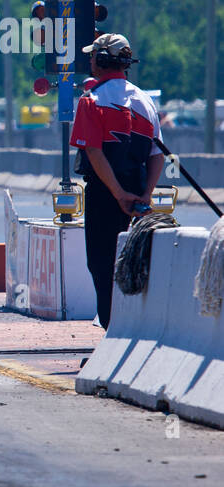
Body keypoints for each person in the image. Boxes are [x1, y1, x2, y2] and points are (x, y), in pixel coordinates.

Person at [69, 33, 164, 328]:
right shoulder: (145, 100)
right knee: (137, 264)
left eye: (93, 55)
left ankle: (112, 333)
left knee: (102, 264)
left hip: (107, 196)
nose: (90, 61)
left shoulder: (92, 100)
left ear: (100, 60)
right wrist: (144, 196)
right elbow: (157, 154)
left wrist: (119, 194)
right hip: (139, 196)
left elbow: (94, 152)